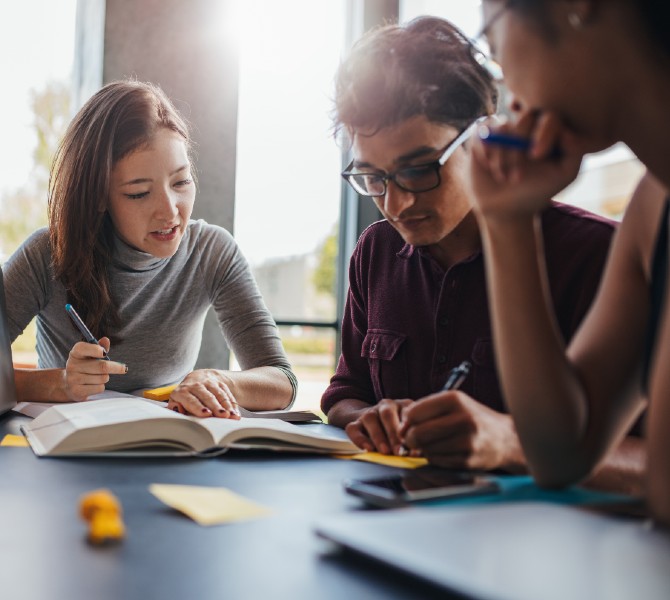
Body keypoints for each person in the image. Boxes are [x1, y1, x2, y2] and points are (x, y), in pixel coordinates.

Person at [320, 15, 645, 492]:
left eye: (419, 170)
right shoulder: (376, 252)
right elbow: (345, 395)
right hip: (395, 520)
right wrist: (371, 419)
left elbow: (652, 463)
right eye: (374, 177)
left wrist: (511, 444)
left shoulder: (601, 255)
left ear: (481, 136)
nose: (396, 204)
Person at [466, 0, 670, 523]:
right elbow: (562, 453)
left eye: (492, 40)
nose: (504, 79)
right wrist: (508, 222)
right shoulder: (652, 208)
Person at [4, 79, 297, 418]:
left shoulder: (212, 252)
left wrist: (222, 381)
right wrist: (62, 383)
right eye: (139, 193)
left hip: (170, 446)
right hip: (65, 452)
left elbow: (282, 381)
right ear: (99, 196)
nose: (170, 211)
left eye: (181, 182)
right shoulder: (47, 254)